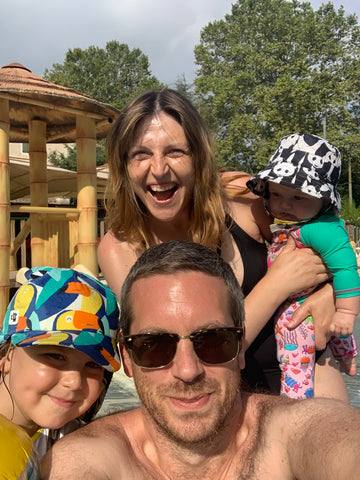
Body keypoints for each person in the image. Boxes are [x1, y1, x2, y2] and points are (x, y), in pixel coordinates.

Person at [98, 88, 347, 399]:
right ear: (123, 166)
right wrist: (277, 285)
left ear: (199, 157)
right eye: (141, 154)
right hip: (213, 411)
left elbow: (333, 244)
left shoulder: (244, 199)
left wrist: (328, 293)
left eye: (175, 151)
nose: (159, 169)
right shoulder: (120, 249)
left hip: (307, 385)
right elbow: (184, 357)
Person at [41, 241, 360, 479]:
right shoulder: (89, 459)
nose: (187, 370)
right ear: (127, 358)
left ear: (240, 349)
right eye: (154, 345)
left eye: (213, 340)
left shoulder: (296, 431)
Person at [246, 133, 360, 399]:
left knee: (292, 347)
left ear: (324, 200)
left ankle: (296, 396)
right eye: (276, 194)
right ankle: (347, 358)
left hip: (300, 308)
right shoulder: (304, 224)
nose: (284, 205)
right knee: (338, 337)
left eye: (298, 198)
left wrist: (345, 312)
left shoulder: (320, 231)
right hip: (309, 298)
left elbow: (346, 269)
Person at [0, 266, 120, 461]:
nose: (74, 382)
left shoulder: (78, 446)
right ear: (6, 356)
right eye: (55, 356)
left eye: (93, 365)